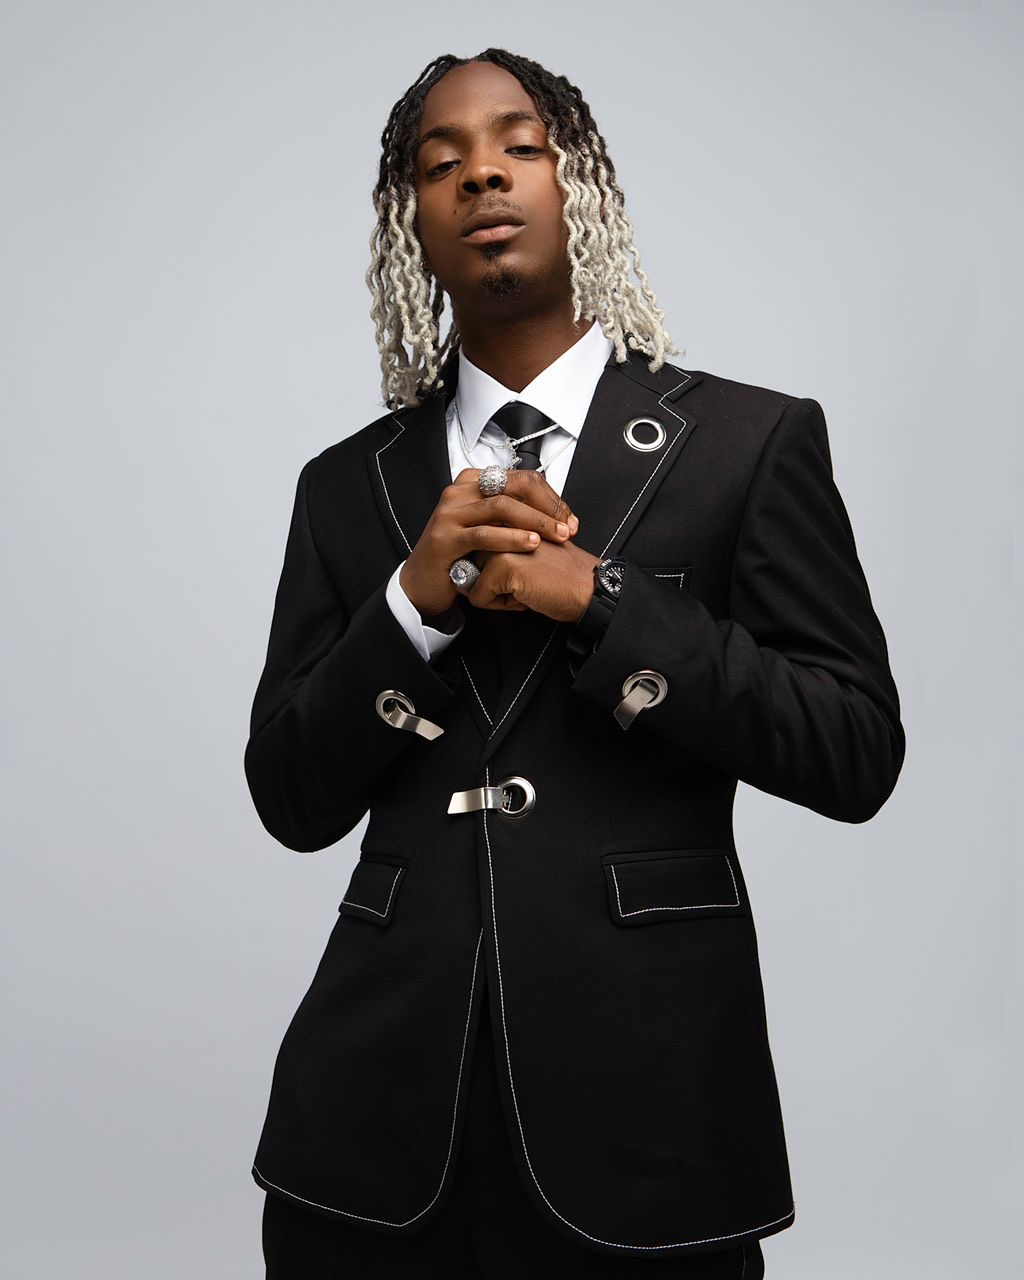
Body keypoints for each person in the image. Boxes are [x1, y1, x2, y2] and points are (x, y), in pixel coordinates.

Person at [245, 47, 906, 1278]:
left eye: (519, 145)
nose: (481, 174)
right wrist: (409, 606)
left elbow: (855, 745)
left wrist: (602, 601)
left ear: (581, 183)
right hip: (370, 1136)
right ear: (411, 229)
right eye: (439, 166)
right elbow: (287, 796)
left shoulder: (747, 443)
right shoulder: (347, 488)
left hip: (650, 1116)